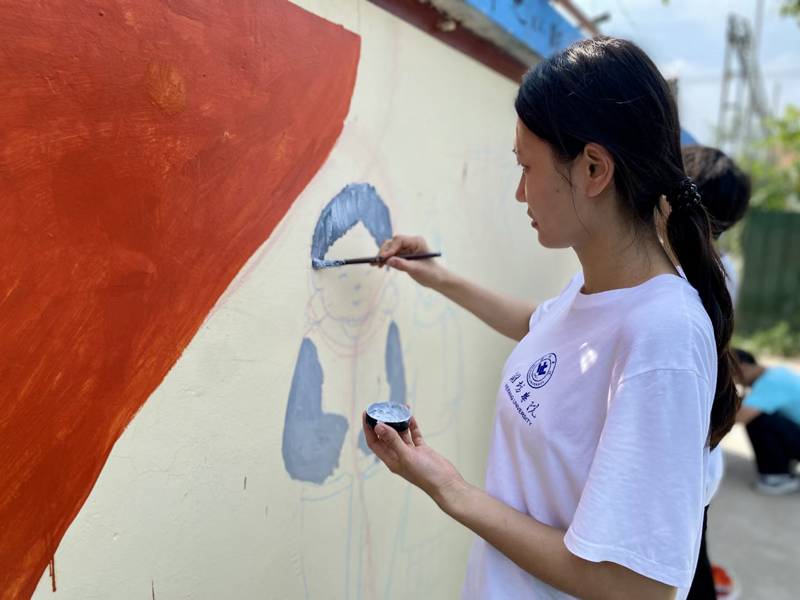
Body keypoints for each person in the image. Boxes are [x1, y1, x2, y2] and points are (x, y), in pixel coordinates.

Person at [362, 36, 739, 600]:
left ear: (593, 168)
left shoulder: (663, 336)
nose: (520, 193)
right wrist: (436, 276)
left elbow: (637, 587)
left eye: (527, 166)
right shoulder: (601, 288)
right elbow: (544, 329)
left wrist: (449, 489)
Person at [677, 146, 750, 600]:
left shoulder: (670, 279)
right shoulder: (722, 270)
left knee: (687, 573)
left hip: (685, 464)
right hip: (701, 458)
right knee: (692, 564)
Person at [734, 348, 800, 495]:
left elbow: (740, 417)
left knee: (758, 420)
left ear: (742, 369)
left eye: (733, 377)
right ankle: (783, 467)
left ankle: (777, 477)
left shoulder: (769, 382)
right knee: (765, 415)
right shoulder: (777, 373)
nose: (734, 382)